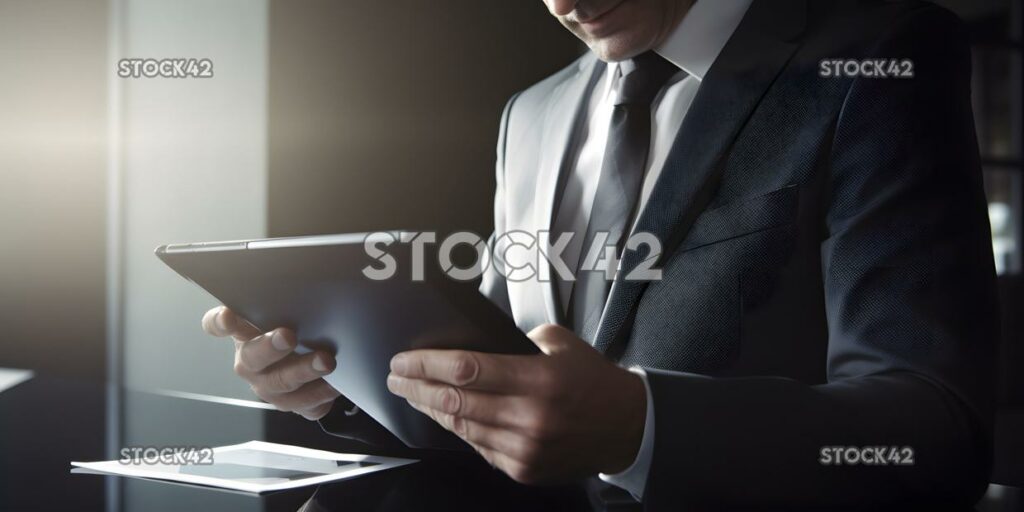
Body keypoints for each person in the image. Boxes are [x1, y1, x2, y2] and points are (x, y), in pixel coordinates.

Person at [202, 0, 999, 508]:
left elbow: (936, 434)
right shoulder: (531, 114)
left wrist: (642, 429)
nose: (565, 0)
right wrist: (335, 389)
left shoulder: (878, 57)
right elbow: (492, 373)